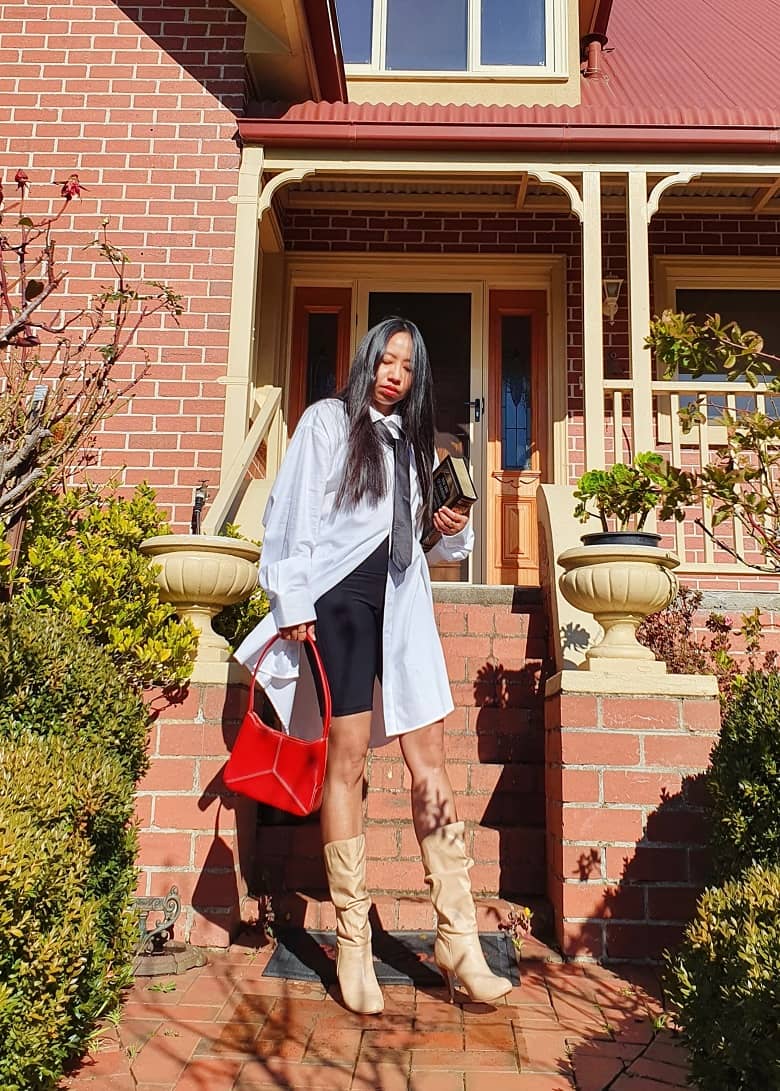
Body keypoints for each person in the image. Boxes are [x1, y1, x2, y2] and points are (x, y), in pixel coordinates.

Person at [235, 317, 512, 1015]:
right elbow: (290, 514)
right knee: (349, 761)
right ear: (367, 361)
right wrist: (292, 596)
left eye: (407, 367)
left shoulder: (415, 442)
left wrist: (454, 528)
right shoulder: (328, 421)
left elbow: (431, 544)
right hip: (342, 602)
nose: (394, 374)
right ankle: (353, 941)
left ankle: (459, 935)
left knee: (432, 761)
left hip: (402, 597)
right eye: (386, 361)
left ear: (416, 379)